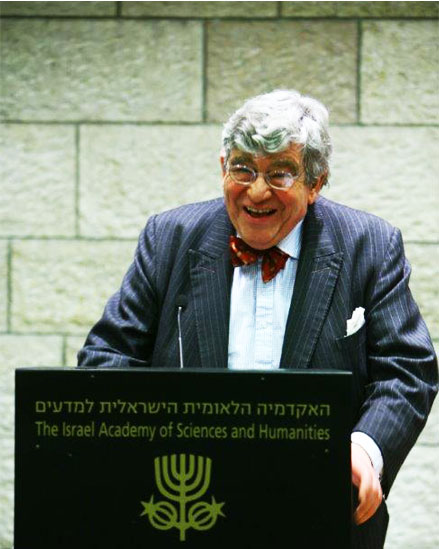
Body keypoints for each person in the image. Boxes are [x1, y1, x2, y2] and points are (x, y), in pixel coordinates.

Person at [78, 89, 438, 548]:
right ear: (222, 167)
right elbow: (106, 358)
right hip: (186, 508)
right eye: (242, 168)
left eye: (281, 173)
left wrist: (366, 448)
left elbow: (407, 371)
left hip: (321, 511)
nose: (257, 191)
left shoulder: (371, 245)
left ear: (316, 183)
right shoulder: (168, 238)